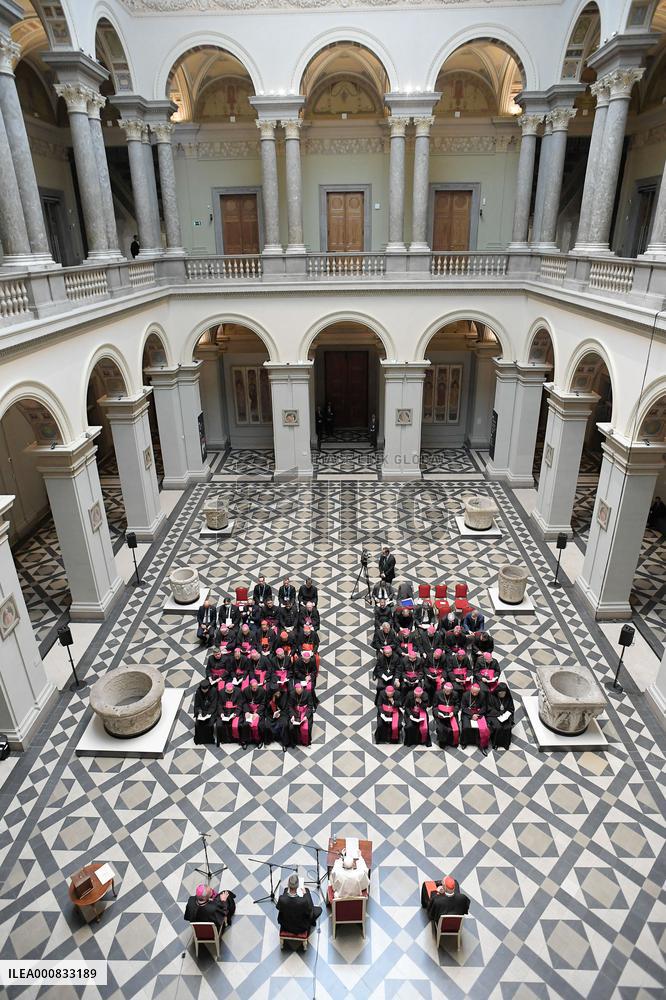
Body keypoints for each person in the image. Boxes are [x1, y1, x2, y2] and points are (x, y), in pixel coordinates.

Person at [460, 681, 490, 752]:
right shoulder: (465, 695)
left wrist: (478, 714)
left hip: (478, 713)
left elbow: (484, 707)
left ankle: (480, 743)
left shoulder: (482, 695)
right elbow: (463, 707)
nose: (474, 694)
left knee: (482, 728)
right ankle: (464, 742)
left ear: (479, 691)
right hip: (467, 714)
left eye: (476, 693)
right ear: (471, 689)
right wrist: (471, 715)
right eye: (473, 692)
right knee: (466, 727)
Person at [432, 682, 460, 748]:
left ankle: (451, 741)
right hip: (441, 714)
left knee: (454, 728)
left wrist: (453, 712)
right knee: (442, 728)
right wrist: (438, 713)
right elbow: (434, 706)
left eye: (450, 691)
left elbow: (457, 705)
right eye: (447, 691)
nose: (448, 692)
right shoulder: (437, 693)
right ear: (444, 689)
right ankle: (442, 742)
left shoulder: (455, 694)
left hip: (451, 713)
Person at [487, 682, 515, 749]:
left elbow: (511, 708)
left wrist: (505, 714)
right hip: (494, 715)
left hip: (505, 716)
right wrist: (499, 713)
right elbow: (490, 708)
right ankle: (495, 744)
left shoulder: (508, 698)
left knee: (507, 727)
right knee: (498, 727)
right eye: (501, 693)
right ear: (497, 692)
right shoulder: (492, 696)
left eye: (504, 693)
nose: (502, 694)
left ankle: (505, 744)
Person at [193, 678, 218, 745]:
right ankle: (200, 740)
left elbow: (214, 704)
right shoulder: (198, 692)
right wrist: (199, 713)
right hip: (202, 711)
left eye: (206, 689)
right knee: (198, 724)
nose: (204, 691)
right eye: (203, 690)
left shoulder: (213, 691)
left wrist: (208, 714)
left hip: (211, 711)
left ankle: (209, 740)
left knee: (209, 724)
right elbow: (197, 704)